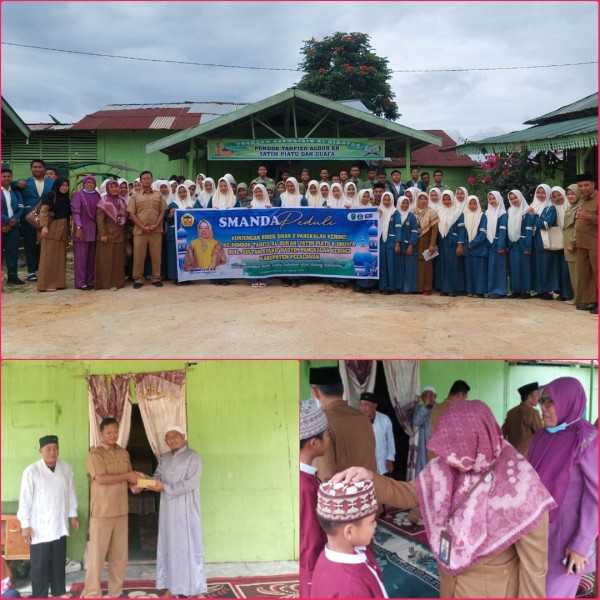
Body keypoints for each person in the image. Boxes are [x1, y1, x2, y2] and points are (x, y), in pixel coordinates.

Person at [334, 399, 556, 598]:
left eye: (459, 451)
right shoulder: (445, 464)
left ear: (481, 441)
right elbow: (409, 493)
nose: (451, 460)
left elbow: (534, 568)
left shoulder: (520, 486)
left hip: (491, 590)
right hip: (450, 583)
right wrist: (370, 478)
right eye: (448, 450)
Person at [528, 377, 598, 598]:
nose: (543, 407)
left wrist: (581, 544)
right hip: (536, 533)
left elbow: (595, 495)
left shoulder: (586, 439)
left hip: (566, 539)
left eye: (550, 401)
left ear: (567, 401)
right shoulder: (542, 436)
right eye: (542, 401)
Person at [140, 426, 207, 598]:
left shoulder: (193, 456)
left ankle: (197, 589)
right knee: (170, 547)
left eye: (175, 436)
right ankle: (172, 588)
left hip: (187, 509)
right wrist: (141, 482)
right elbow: (157, 478)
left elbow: (191, 483)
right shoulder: (165, 458)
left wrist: (166, 487)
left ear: (183, 437)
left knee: (190, 548)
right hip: (169, 510)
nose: (172, 440)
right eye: (168, 438)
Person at [82, 418, 142, 599]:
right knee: (97, 556)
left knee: (119, 556)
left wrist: (134, 487)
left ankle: (115, 592)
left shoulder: (124, 453)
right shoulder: (95, 454)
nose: (113, 435)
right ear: (101, 434)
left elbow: (129, 479)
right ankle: (92, 593)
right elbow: (100, 478)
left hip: (121, 511)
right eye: (109, 432)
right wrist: (127, 475)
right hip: (102, 512)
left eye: (115, 432)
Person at [17, 435, 79, 599]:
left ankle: (59, 591)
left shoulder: (65, 468)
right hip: (39, 527)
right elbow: (25, 499)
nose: (52, 452)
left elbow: (71, 493)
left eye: (55, 448)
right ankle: (40, 594)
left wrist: (73, 515)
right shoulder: (31, 471)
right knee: (39, 565)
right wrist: (25, 525)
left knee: (59, 561)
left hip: (59, 523)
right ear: (41, 451)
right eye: (48, 449)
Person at [310, 479, 386, 598]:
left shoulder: (326, 556)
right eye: (371, 521)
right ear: (349, 531)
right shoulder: (352, 589)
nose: (375, 524)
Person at [310, 367, 377, 483]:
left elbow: (326, 477)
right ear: (342, 389)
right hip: (370, 495)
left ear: (315, 392)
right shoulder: (363, 418)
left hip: (343, 499)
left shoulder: (321, 423)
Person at [299, 398, 329, 598]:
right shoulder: (304, 485)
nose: (329, 439)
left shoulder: (307, 478)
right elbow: (310, 540)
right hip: (309, 571)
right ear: (314, 443)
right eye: (327, 435)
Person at [11, 159, 54, 281]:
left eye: (40, 167)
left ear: (44, 169)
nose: (37, 169)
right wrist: (16, 184)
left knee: (45, 245)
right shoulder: (25, 182)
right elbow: (11, 185)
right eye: (35, 167)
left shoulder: (51, 183)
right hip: (29, 219)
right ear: (31, 169)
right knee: (30, 245)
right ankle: (31, 271)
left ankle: (44, 270)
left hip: (47, 219)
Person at [128, 171, 167, 289]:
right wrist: (142, 226)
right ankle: (138, 279)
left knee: (156, 256)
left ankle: (156, 278)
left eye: (148, 178)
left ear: (151, 180)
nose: (146, 180)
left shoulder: (158, 195)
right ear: (140, 181)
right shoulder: (135, 196)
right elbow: (131, 214)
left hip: (156, 230)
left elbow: (162, 211)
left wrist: (156, 225)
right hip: (140, 231)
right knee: (139, 256)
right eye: (144, 179)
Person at [38, 178, 71, 292]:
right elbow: (44, 211)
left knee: (60, 257)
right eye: (62, 185)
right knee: (49, 257)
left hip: (63, 229)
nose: (64, 187)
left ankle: (59, 282)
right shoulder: (50, 195)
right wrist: (44, 226)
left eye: (66, 185)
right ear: (57, 186)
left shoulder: (66, 198)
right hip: (51, 228)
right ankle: (46, 284)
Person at [95, 179, 128, 290]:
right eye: (111, 187)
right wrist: (103, 234)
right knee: (107, 260)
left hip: (119, 234)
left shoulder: (121, 201)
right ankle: (106, 283)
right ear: (107, 188)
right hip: (107, 236)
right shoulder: (103, 202)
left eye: (116, 187)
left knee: (117, 260)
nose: (114, 189)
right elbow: (100, 220)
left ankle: (117, 282)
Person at [528, 183, 558, 300]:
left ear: (548, 193)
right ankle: (540, 290)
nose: (540, 195)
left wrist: (533, 216)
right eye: (538, 192)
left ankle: (548, 291)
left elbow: (545, 224)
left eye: (543, 192)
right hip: (534, 241)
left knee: (546, 266)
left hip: (544, 241)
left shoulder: (550, 207)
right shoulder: (533, 206)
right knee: (537, 266)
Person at [71, 175, 101, 290]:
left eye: (91, 182)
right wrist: (78, 226)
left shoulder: (96, 195)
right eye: (87, 182)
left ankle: (89, 280)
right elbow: (76, 212)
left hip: (94, 230)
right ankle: (80, 282)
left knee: (91, 258)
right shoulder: (78, 195)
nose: (89, 184)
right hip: (82, 230)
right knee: (81, 258)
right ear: (83, 184)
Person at [573, 174, 598, 314]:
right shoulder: (582, 200)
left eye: (586, 185)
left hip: (596, 244)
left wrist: (587, 216)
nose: (583, 188)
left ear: (593, 185)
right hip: (582, 243)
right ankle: (592, 302)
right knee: (586, 274)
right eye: (580, 186)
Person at [165, 184, 198, 284]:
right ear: (177, 193)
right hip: (174, 234)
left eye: (184, 192)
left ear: (187, 192)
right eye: (180, 192)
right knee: (175, 256)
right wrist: (170, 214)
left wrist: (193, 212)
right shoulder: (172, 205)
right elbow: (167, 220)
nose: (182, 194)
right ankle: (176, 277)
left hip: (190, 235)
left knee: (189, 256)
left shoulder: (193, 204)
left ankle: (188, 277)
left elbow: (200, 218)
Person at [428, 379, 470, 459]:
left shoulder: (436, 408)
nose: (464, 401)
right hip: (448, 459)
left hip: (434, 457)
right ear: (460, 395)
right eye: (465, 398)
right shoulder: (456, 411)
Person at [501, 382, 542, 457]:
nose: (539, 398)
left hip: (511, 455)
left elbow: (502, 433)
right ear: (529, 397)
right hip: (526, 458)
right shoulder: (533, 413)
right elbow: (541, 435)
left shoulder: (511, 412)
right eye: (537, 395)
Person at [359, 393, 395, 476]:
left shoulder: (385, 419)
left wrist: (389, 459)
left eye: (366, 405)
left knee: (381, 485)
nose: (363, 408)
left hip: (382, 463)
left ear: (375, 406)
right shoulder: (357, 421)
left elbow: (390, 441)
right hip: (364, 465)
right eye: (361, 404)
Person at [437, 190, 465, 296]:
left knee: (454, 265)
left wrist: (460, 244)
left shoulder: (458, 212)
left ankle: (455, 289)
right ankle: (445, 288)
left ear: (453, 199)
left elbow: (462, 229)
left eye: (449, 199)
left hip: (453, 243)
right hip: (442, 242)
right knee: (444, 265)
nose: (446, 201)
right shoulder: (439, 211)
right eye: (444, 199)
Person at [506, 190, 533, 299]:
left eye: (515, 198)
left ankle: (526, 291)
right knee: (513, 268)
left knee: (524, 267)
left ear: (520, 197)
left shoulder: (526, 211)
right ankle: (515, 290)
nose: (514, 200)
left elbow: (529, 230)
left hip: (522, 243)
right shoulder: (510, 210)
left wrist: (528, 246)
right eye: (511, 199)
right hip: (512, 244)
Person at [412, 191, 439, 296]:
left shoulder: (432, 212)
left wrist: (432, 244)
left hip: (427, 239)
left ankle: (427, 288)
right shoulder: (412, 211)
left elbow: (434, 230)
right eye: (420, 199)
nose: (423, 201)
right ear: (417, 200)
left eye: (425, 199)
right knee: (417, 264)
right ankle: (418, 287)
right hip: (415, 240)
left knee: (427, 263)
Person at [1, 168, 24, 284]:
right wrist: (6, 222)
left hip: (13, 227)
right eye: (4, 176)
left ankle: (12, 276)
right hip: (2, 226)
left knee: (13, 252)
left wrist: (13, 221)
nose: (7, 178)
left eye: (9, 176)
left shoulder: (15, 192)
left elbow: (20, 208)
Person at [550, 186, 573, 301]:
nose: (557, 198)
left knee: (567, 269)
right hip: (558, 242)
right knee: (560, 268)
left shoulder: (570, 206)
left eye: (559, 195)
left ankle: (569, 293)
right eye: (554, 196)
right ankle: (563, 293)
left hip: (570, 241)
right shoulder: (552, 208)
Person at [463, 195, 488, 298]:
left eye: (474, 204)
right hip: (467, 248)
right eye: (470, 204)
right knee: (469, 270)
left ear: (478, 204)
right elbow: (462, 232)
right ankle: (470, 290)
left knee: (479, 271)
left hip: (478, 248)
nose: (472, 206)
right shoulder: (464, 215)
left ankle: (479, 291)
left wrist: (473, 243)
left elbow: (483, 232)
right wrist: (466, 244)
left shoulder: (482, 215)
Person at [485, 191, 508, 298]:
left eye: (494, 198)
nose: (492, 201)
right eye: (490, 199)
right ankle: (491, 290)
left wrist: (500, 246)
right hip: (489, 244)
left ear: (499, 199)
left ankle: (500, 291)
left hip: (498, 244)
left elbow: (502, 231)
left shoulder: (502, 213)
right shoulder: (487, 212)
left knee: (499, 268)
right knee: (491, 269)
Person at [378, 191, 401, 294]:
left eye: (388, 200)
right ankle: (383, 286)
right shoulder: (378, 211)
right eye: (384, 199)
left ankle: (391, 287)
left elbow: (398, 229)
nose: (386, 202)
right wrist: (378, 216)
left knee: (391, 265)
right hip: (381, 242)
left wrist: (397, 243)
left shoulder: (395, 212)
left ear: (392, 200)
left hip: (391, 242)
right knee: (382, 265)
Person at [562, 183, 581, 306]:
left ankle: (579, 299)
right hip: (568, 244)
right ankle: (576, 297)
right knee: (573, 273)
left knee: (578, 273)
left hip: (574, 245)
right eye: (568, 194)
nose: (570, 196)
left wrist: (573, 242)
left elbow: (577, 228)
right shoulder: (570, 207)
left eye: (572, 193)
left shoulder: (580, 207)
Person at [397, 195, 419, 293]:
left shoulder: (411, 216)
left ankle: (409, 288)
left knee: (410, 268)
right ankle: (400, 287)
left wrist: (411, 245)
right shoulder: (395, 215)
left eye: (407, 203)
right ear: (399, 203)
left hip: (409, 246)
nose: (405, 205)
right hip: (399, 246)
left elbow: (415, 232)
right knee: (400, 267)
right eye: (403, 203)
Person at [413, 386, 436, 477]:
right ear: (422, 398)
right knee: (422, 472)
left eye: (431, 396)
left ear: (435, 397)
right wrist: (425, 407)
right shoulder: (420, 408)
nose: (428, 398)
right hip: (423, 447)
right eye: (425, 396)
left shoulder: (439, 408)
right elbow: (416, 422)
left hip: (436, 447)